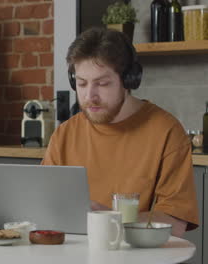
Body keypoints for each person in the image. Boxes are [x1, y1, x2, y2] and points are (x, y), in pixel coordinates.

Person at [42, 27, 198, 237]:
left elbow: (175, 224)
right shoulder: (64, 134)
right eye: (81, 83)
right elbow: (43, 208)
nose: (90, 96)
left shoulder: (167, 132)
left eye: (102, 83)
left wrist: (110, 217)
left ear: (129, 80)